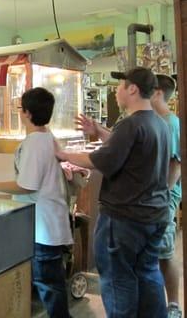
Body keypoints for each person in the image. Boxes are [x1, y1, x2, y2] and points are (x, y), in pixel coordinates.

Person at [56, 67, 170, 318]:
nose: (116, 90)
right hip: (154, 216)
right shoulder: (159, 124)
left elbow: (102, 161)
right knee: (148, 274)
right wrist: (99, 131)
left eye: (120, 86)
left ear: (132, 89)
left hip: (125, 219)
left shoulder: (130, 125)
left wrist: (63, 154)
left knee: (119, 280)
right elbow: (128, 147)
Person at [0, 87, 73, 318]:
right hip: (47, 221)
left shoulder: (36, 143)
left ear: (26, 112)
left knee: (48, 285)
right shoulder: (47, 137)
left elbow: (27, 185)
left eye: (20, 108)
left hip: (43, 227)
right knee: (52, 284)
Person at [151, 74, 182, 318]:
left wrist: (164, 196)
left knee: (165, 253)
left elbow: (176, 164)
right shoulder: (154, 120)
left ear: (158, 93)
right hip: (152, 197)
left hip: (163, 198)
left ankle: (173, 305)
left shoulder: (170, 123)